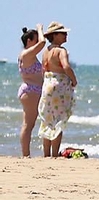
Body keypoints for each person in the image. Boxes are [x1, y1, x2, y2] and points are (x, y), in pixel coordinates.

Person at [37, 22, 76, 157]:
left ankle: (46, 154)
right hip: (59, 86)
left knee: (47, 120)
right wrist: (74, 79)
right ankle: (54, 154)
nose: (66, 35)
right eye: (63, 33)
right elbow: (65, 66)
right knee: (58, 120)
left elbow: (43, 69)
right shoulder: (61, 51)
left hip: (47, 84)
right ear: (55, 35)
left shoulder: (46, 51)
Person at [16, 25, 45, 156]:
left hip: (32, 91)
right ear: (29, 41)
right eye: (36, 40)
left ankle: (26, 154)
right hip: (31, 91)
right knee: (28, 125)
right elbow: (43, 43)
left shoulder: (29, 55)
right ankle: (26, 155)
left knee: (29, 124)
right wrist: (40, 28)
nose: (38, 41)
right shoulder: (26, 54)